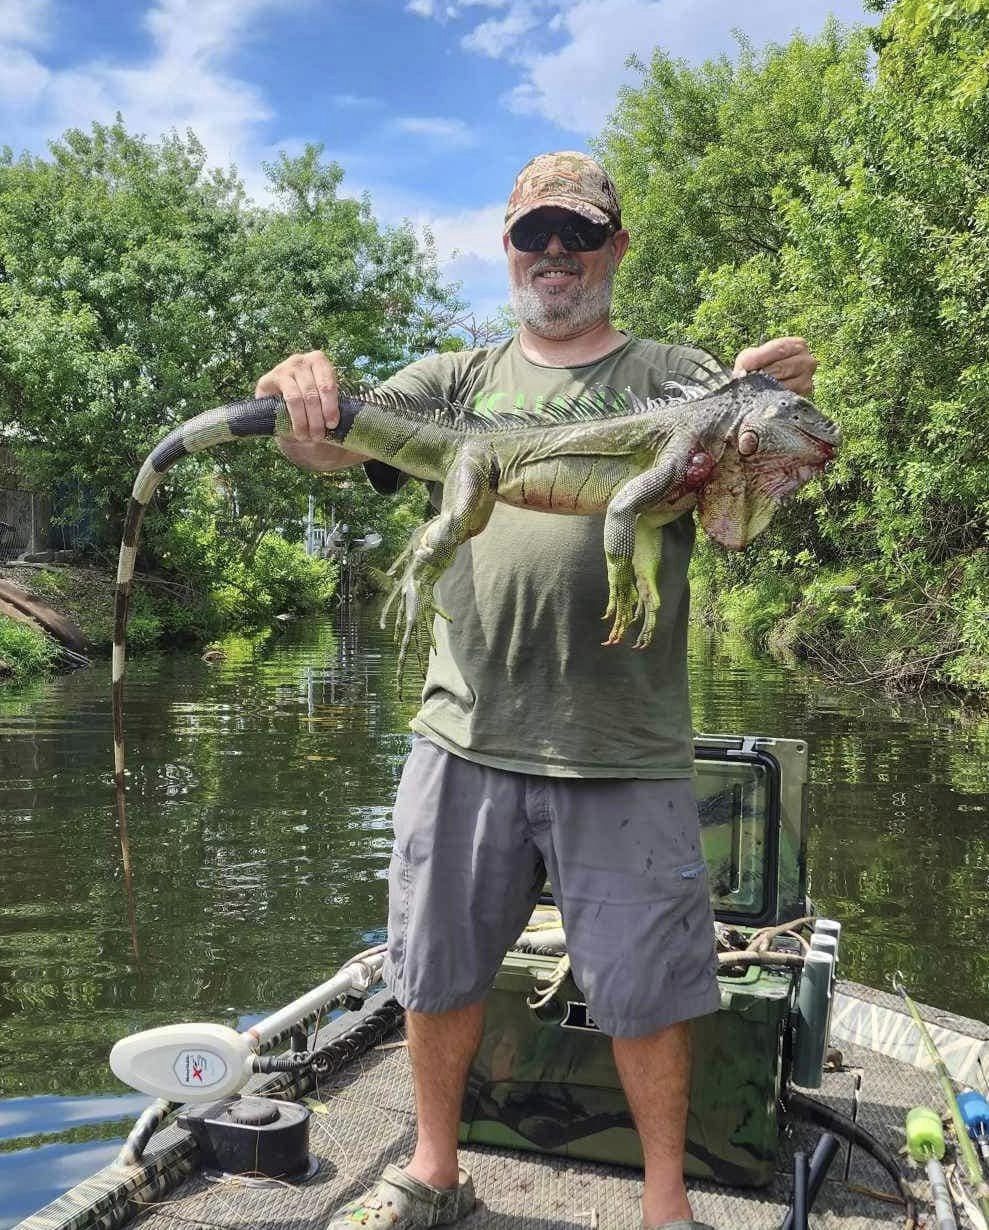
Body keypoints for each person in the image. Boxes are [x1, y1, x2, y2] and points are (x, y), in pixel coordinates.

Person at [257, 151, 817, 1230]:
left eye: (577, 233)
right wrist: (297, 394)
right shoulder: (457, 382)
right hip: (462, 731)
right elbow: (329, 451)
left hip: (623, 742)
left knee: (651, 991)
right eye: (532, 235)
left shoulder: (675, 373)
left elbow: (734, 523)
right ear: (506, 246)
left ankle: (664, 1207)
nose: (553, 255)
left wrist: (760, 414)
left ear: (613, 247)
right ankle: (432, 1169)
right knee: (434, 969)